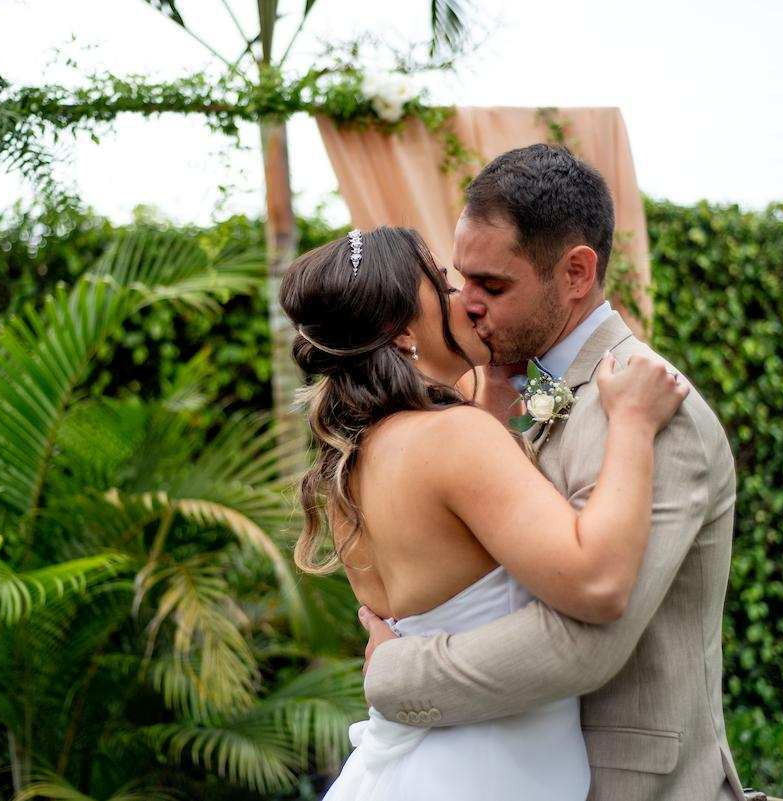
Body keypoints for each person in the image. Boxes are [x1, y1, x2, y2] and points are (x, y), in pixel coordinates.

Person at [357, 144, 745, 801]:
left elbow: (587, 644)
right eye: (463, 280)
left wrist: (394, 672)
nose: (467, 305)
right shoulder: (499, 389)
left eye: (494, 286)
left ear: (575, 272)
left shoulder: (652, 413)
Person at [280, 221, 688, 800]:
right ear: (400, 331)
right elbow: (597, 582)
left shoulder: (354, 460)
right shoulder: (452, 438)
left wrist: (496, 403)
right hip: (481, 775)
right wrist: (632, 424)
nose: (465, 300)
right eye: (443, 284)